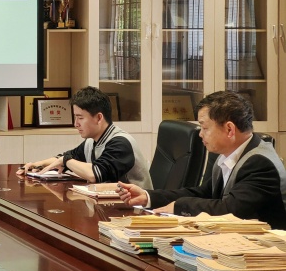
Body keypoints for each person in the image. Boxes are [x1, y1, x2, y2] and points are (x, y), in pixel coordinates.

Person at [118, 90, 286, 228]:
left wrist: (179, 206)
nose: (200, 134)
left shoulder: (260, 164)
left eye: (205, 127)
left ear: (229, 129)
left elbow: (230, 210)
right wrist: (148, 196)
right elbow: (205, 193)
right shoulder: (228, 154)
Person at [18, 86, 152, 188]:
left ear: (99, 118)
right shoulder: (92, 141)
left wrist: (66, 160)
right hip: (109, 205)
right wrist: (37, 165)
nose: (76, 124)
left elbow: (95, 174)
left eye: (80, 118)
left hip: (136, 211)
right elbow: (67, 157)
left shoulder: (120, 142)